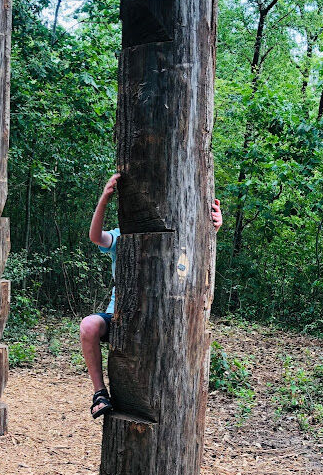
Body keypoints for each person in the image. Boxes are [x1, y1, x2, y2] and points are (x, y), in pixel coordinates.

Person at [80, 173, 223, 418]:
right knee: (88, 326)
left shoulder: (183, 238)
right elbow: (96, 237)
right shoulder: (120, 237)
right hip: (121, 316)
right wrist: (104, 199)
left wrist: (213, 228)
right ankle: (99, 393)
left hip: (167, 320)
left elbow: (196, 261)